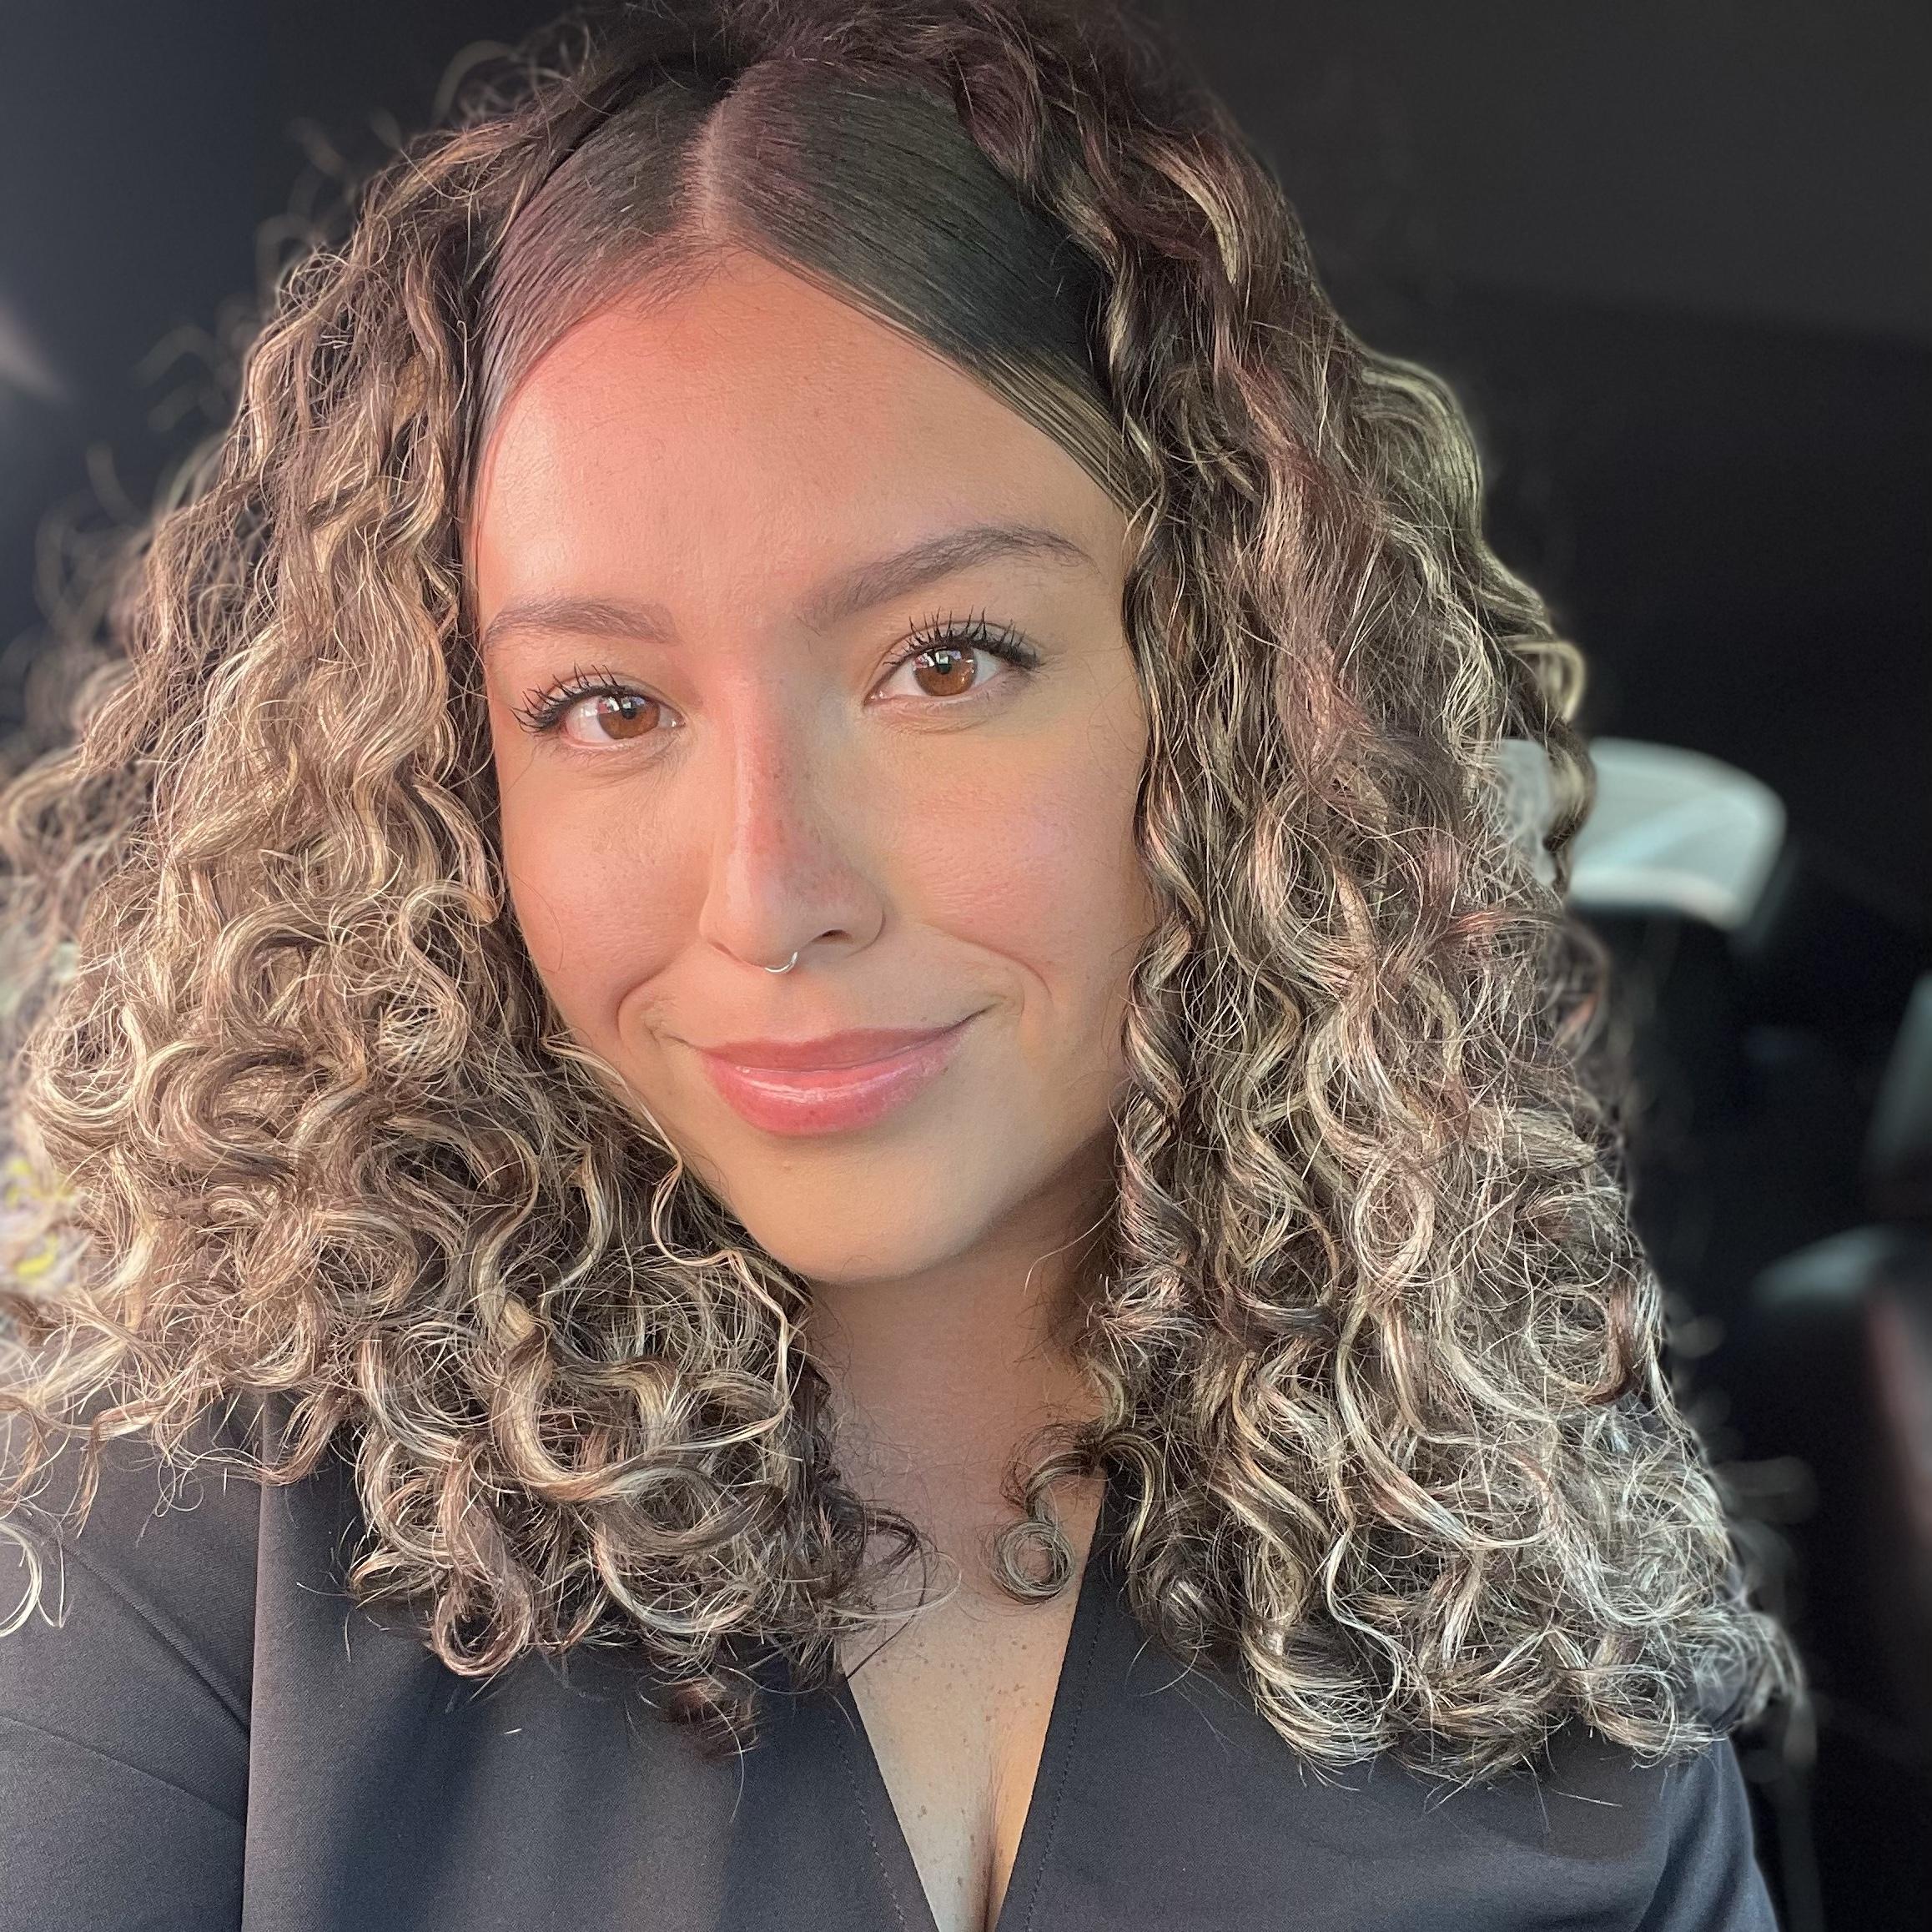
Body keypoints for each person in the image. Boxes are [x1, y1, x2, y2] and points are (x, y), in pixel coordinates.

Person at [0, 2, 1800, 1928]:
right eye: (605, 703)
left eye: (946, 663)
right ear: (456, 778)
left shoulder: (1539, 1641)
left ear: (1235, 703)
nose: (772, 894)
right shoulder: (184, 1535)